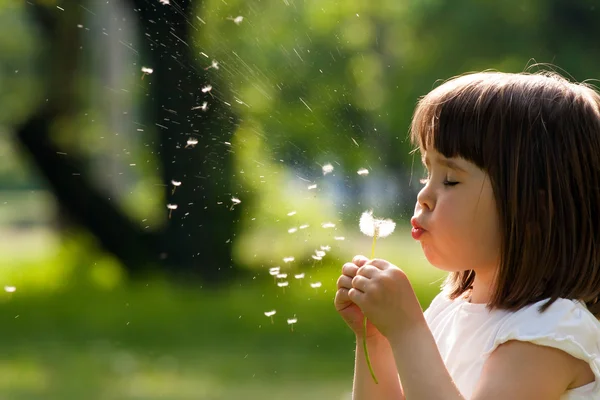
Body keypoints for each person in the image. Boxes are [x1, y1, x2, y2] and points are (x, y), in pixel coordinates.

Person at [335, 71, 600, 399]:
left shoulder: (548, 334)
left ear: (533, 210)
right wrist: (375, 338)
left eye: (450, 180)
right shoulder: (447, 311)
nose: (424, 197)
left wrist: (406, 330)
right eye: (427, 173)